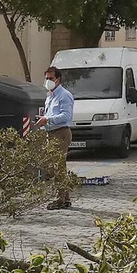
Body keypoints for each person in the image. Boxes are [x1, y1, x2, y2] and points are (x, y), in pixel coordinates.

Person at [33, 65, 75, 209]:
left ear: (58, 79)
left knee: (58, 167)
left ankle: (61, 199)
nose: (48, 81)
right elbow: (50, 114)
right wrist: (44, 118)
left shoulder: (64, 95)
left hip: (61, 133)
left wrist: (48, 120)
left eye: (50, 78)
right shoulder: (50, 96)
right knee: (56, 166)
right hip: (51, 133)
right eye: (46, 79)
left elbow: (66, 116)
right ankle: (65, 198)